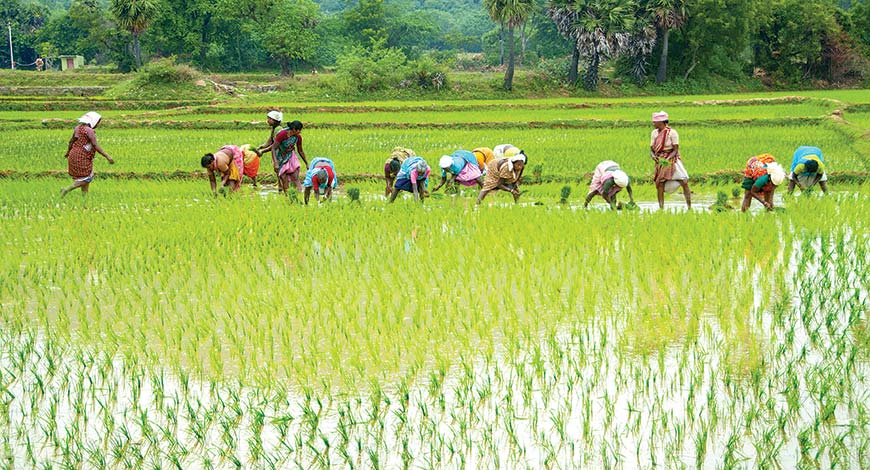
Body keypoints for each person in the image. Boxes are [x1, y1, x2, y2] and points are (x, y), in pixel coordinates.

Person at [61, 112, 115, 197]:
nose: (97, 124)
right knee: (87, 178)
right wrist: (107, 156)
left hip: (74, 154)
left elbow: (71, 141)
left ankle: (84, 197)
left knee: (85, 175)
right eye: (97, 122)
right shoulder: (89, 131)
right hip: (82, 156)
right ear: (93, 121)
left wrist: (68, 152)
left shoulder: (77, 128)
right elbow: (95, 145)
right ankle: (67, 189)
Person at [650, 111, 692, 209]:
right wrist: (653, 155)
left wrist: (668, 159)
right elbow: (651, 148)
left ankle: (689, 206)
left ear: (661, 122)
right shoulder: (654, 133)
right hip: (660, 160)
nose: (653, 124)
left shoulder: (672, 133)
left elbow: (675, 149)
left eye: (654, 122)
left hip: (672, 159)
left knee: (684, 181)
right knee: (660, 183)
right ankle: (661, 208)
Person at [271, 120, 308, 193]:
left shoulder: (298, 137)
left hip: (291, 156)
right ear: (294, 129)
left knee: (295, 177)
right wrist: (275, 162)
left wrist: (306, 163)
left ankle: (299, 195)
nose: (299, 132)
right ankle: (287, 197)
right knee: (283, 178)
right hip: (281, 156)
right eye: (298, 130)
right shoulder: (282, 134)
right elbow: (273, 148)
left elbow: (300, 151)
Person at [257, 110, 283, 177]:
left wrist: (262, 151)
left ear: (274, 120)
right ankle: (280, 186)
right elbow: (269, 141)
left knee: (280, 171)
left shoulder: (279, 130)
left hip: (281, 154)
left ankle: (281, 186)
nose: (267, 120)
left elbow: (274, 145)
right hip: (277, 153)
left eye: (269, 119)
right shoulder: (274, 129)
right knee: (278, 171)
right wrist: (260, 147)